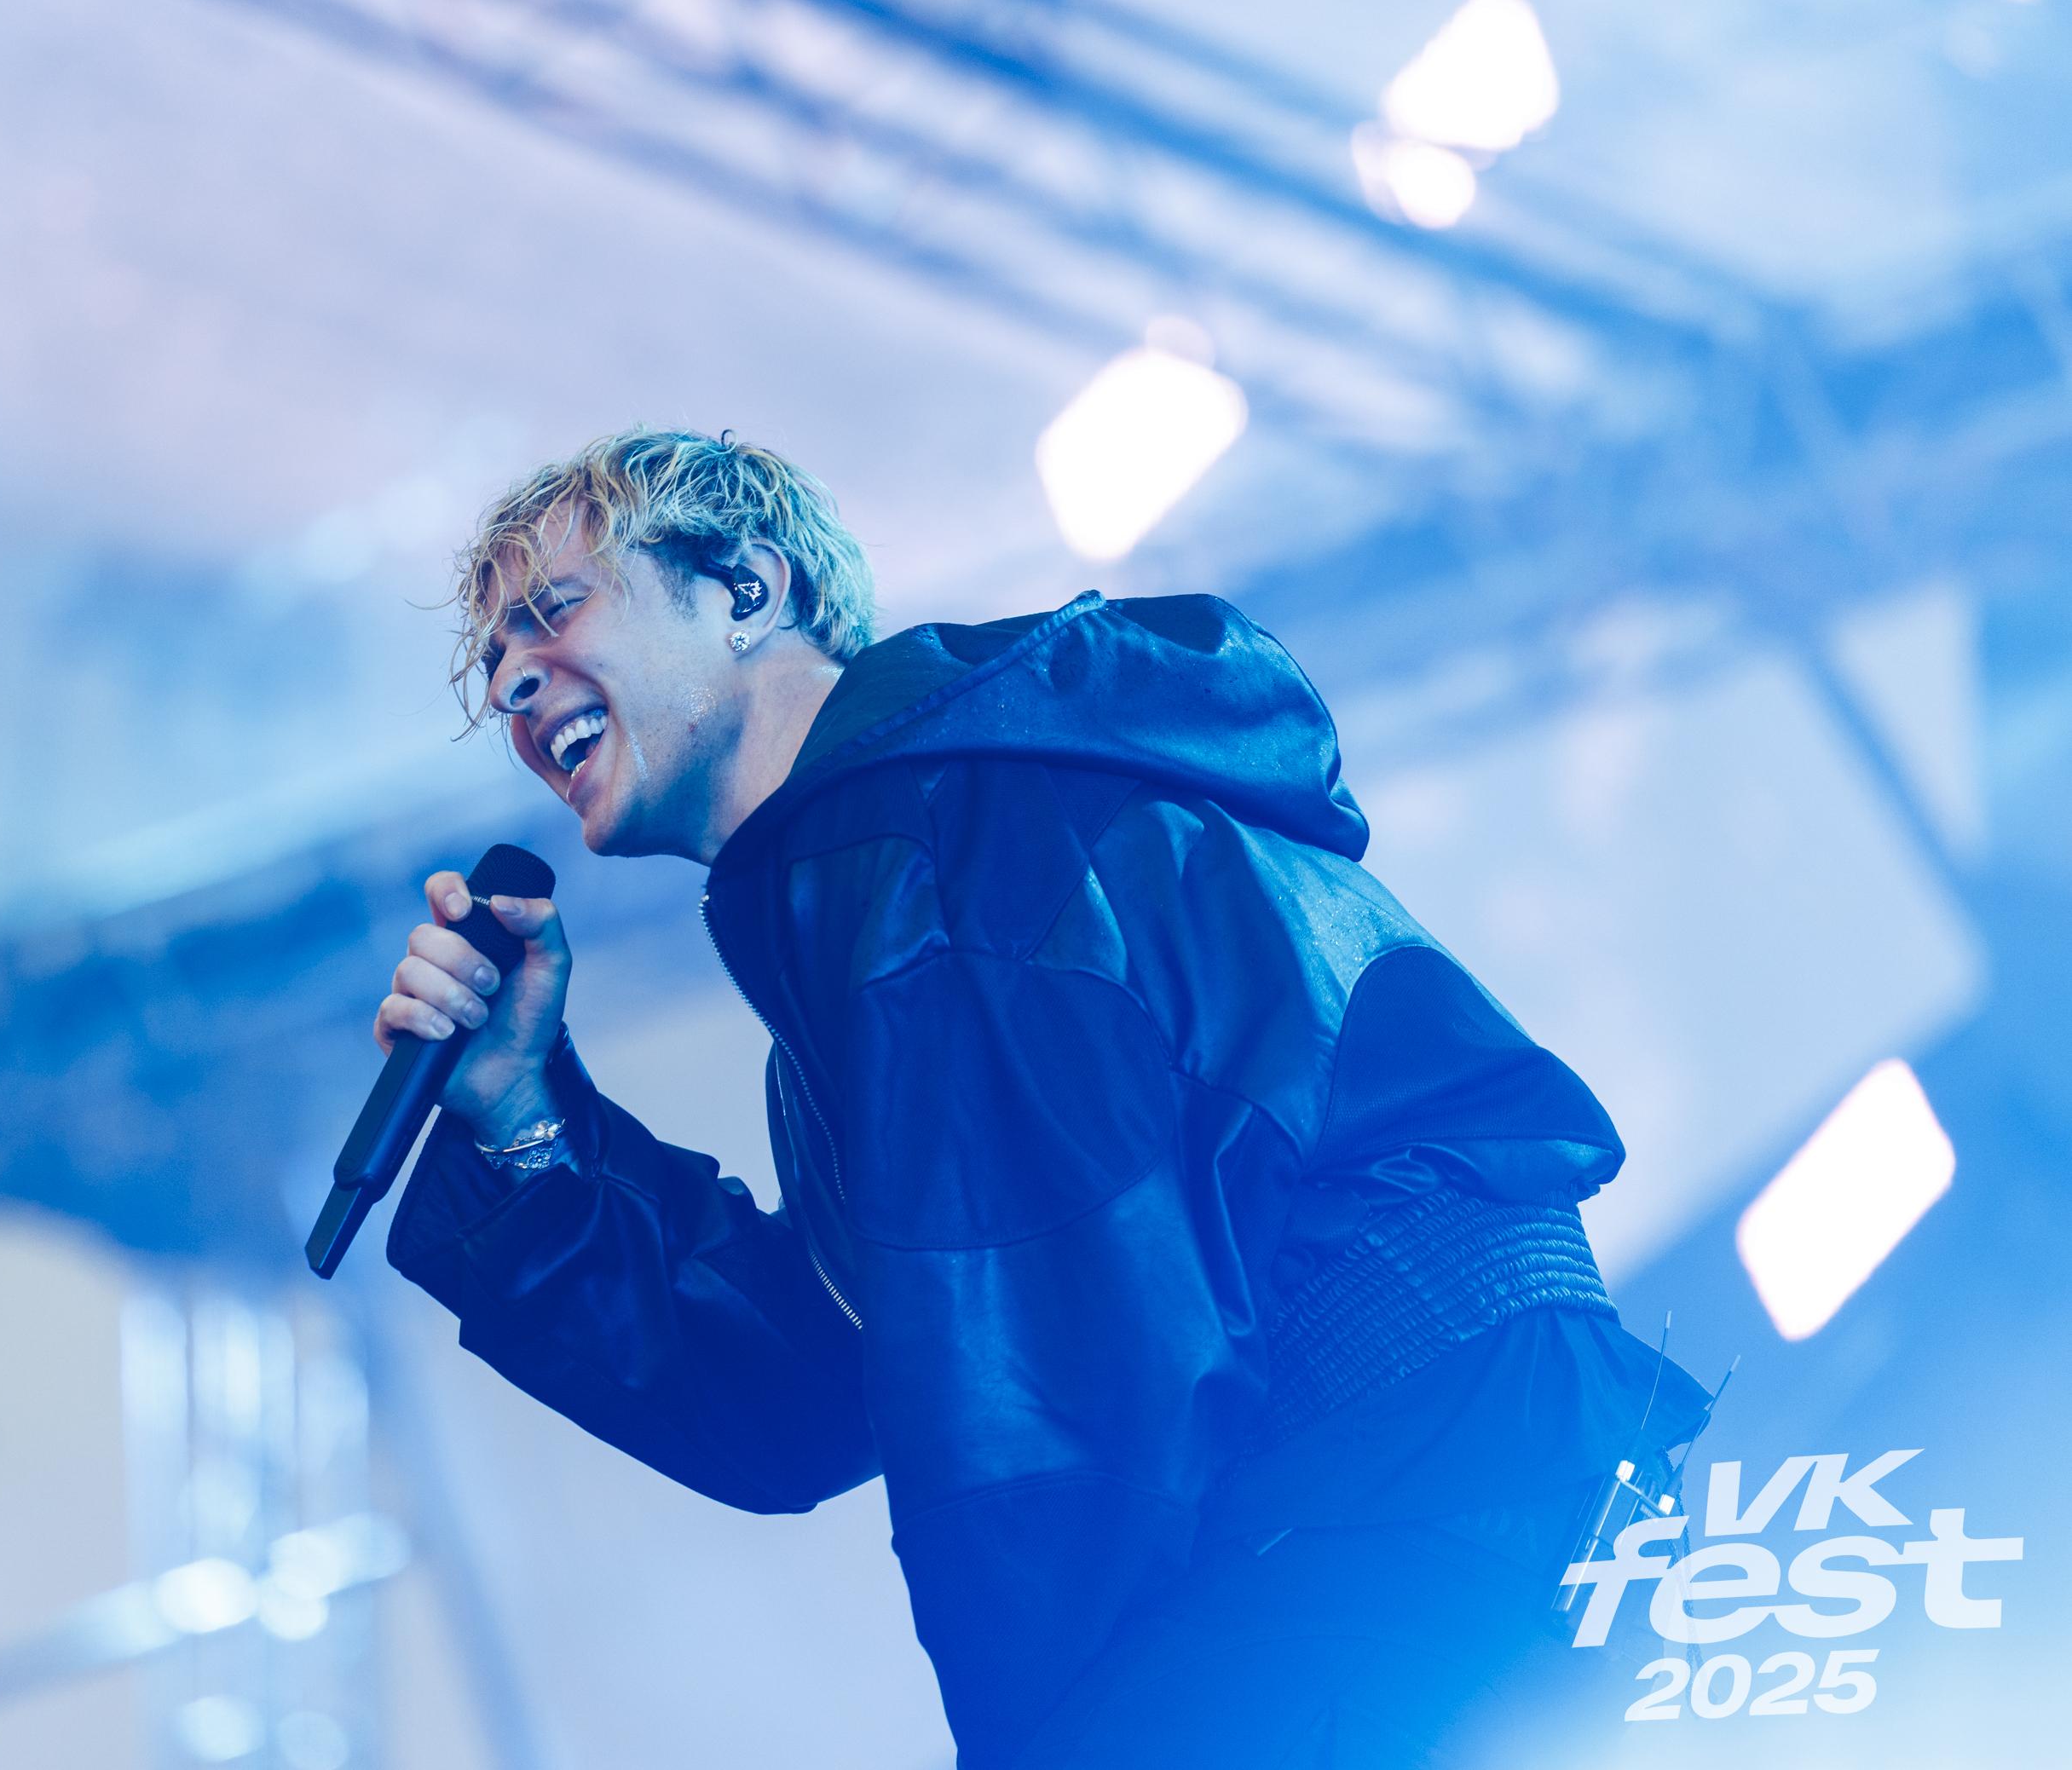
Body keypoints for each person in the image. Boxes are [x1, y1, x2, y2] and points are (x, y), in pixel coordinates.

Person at [374, 429, 1706, 1767]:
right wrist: (522, 1122)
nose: (516, 681)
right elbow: (815, 1390)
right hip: (1454, 1488)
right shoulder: (892, 898)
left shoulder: (949, 855)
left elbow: (1054, 1426)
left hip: (1407, 1498)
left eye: (555, 609)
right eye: (494, 665)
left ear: (748, 588)